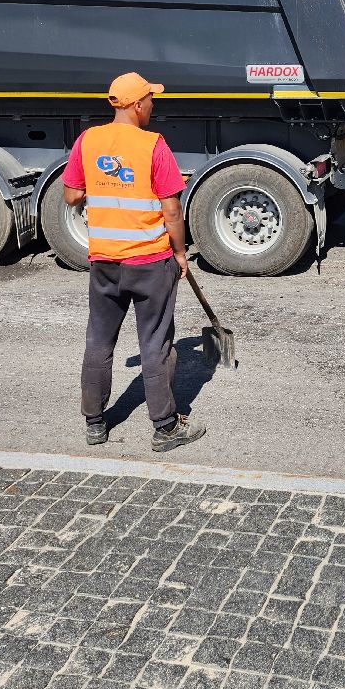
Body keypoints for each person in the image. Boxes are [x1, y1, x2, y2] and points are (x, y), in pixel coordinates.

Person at [61, 71, 206, 451]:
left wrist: (105, 184)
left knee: (99, 341)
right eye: (151, 100)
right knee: (155, 343)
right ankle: (165, 429)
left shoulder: (88, 141)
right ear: (137, 104)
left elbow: (72, 196)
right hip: (150, 262)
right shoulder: (153, 145)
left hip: (105, 263)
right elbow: (171, 210)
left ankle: (94, 423)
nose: (153, 106)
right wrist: (180, 252)